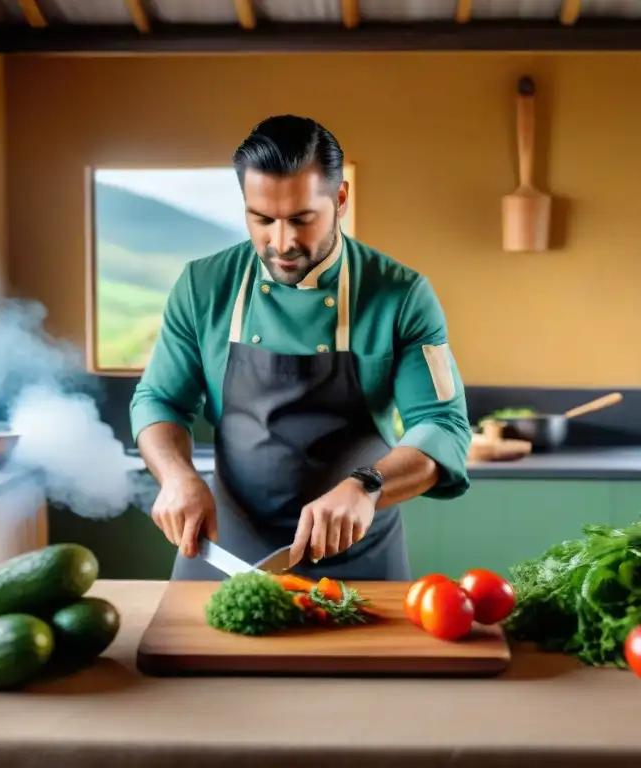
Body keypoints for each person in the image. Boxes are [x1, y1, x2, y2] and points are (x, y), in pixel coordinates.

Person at [130, 114, 471, 581]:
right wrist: (176, 475)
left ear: (340, 200)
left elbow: (442, 426)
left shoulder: (401, 295)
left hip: (360, 556)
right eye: (263, 219)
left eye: (301, 219)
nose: (282, 242)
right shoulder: (203, 286)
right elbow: (160, 400)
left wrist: (367, 486)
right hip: (227, 547)